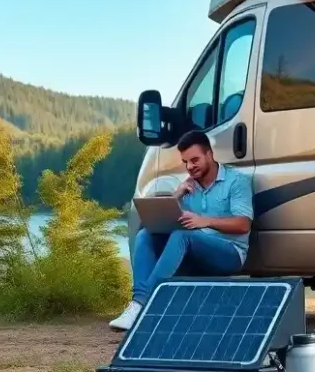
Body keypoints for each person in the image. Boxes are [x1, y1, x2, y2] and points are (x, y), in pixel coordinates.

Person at [109, 130, 254, 331]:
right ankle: (137, 303)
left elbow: (243, 224)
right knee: (146, 234)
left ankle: (143, 305)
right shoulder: (188, 186)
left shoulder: (236, 181)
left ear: (209, 155)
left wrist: (206, 221)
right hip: (194, 252)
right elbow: (174, 221)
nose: (190, 166)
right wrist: (176, 195)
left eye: (195, 160)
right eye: (186, 162)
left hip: (230, 253)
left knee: (183, 235)